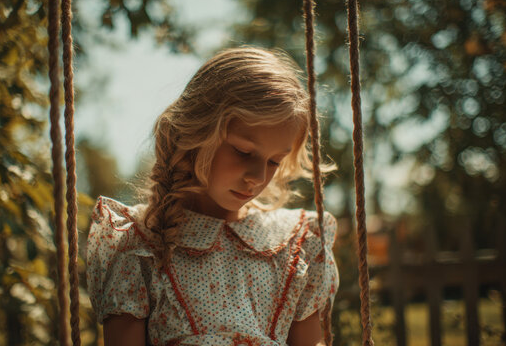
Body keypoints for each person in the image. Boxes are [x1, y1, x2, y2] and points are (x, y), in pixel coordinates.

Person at [86, 47, 340, 346]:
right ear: (195, 132)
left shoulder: (297, 245)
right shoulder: (137, 244)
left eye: (274, 161)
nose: (258, 176)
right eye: (243, 151)